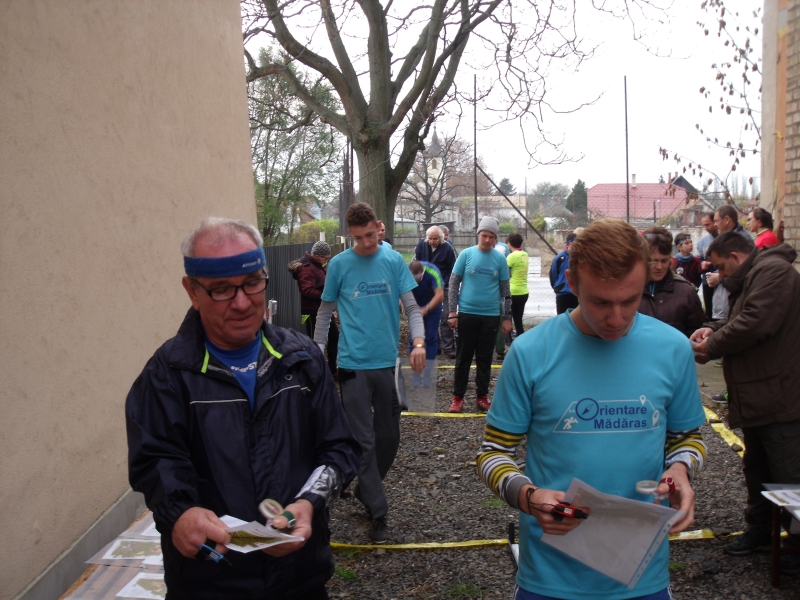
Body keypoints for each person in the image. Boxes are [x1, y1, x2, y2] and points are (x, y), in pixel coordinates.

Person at [126, 217, 361, 600]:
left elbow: (340, 448)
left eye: (252, 283)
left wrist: (308, 503)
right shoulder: (167, 375)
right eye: (221, 289)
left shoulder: (302, 359)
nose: (241, 303)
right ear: (192, 291)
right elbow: (155, 462)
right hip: (210, 582)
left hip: (300, 577)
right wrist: (180, 514)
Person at [477, 218, 706, 600]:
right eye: (600, 302)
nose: (616, 319)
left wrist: (681, 469)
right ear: (571, 281)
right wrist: (528, 496)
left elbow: (688, 438)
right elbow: (493, 453)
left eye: (630, 300)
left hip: (643, 575)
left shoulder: (672, 348)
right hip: (549, 577)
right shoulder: (531, 352)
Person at [313, 203, 425, 543]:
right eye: (358, 238)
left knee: (389, 438)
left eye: (371, 235)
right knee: (363, 442)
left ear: (379, 227)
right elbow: (324, 314)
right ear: (350, 235)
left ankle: (365, 489)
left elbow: (411, 308)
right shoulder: (339, 265)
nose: (366, 243)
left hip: (388, 365)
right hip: (352, 367)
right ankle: (379, 512)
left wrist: (418, 342)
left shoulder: (392, 260)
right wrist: (317, 353)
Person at [690, 232, 800, 570]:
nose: (720, 276)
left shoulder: (773, 272)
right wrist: (713, 329)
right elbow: (742, 318)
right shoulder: (756, 275)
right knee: (758, 467)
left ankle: (797, 543)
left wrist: (711, 345)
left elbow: (754, 323)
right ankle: (761, 531)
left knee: (788, 473)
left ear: (737, 257)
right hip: (760, 395)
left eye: (722, 268)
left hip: (780, 397)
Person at [447, 216, 512, 413]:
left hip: (490, 316)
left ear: (495, 238)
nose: (487, 240)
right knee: (463, 357)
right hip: (467, 313)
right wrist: (452, 312)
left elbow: (505, 292)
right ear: (478, 235)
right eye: (484, 235)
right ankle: (458, 397)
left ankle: (482, 396)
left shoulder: (500, 259)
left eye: (491, 236)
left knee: (485, 358)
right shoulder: (466, 255)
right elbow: (453, 283)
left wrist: (506, 317)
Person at [639, 227, 705, 337]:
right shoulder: (629, 289)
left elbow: (697, 334)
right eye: (653, 261)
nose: (659, 267)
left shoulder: (686, 292)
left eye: (664, 261)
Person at [296, 240, 339, 378]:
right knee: (314, 343)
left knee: (334, 336)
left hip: (322, 310)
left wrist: (330, 308)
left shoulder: (318, 266)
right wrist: (326, 296)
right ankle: (314, 373)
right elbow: (306, 290)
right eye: (325, 258)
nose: (326, 261)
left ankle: (331, 369)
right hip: (311, 312)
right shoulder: (307, 268)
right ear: (317, 255)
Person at [414, 226, 457, 358]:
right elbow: (416, 264)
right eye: (430, 239)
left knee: (445, 316)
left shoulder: (448, 249)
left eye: (435, 239)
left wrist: (443, 282)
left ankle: (448, 347)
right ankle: (434, 344)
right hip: (426, 286)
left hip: (444, 286)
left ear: (441, 238)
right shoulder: (421, 245)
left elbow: (453, 269)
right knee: (429, 316)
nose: (432, 241)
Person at [407, 260, 444, 385]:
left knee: (430, 337)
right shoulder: (404, 271)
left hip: (432, 306)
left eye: (418, 279)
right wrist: (405, 306)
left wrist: (426, 309)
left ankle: (428, 373)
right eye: (413, 279)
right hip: (414, 305)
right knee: (413, 338)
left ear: (421, 272)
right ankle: (416, 373)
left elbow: (439, 295)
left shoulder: (433, 271)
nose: (416, 282)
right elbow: (400, 291)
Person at [506, 233, 529, 338]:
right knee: (518, 320)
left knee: (508, 319)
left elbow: (505, 273)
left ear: (509, 243)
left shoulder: (512, 256)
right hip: (524, 291)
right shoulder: (525, 255)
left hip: (513, 291)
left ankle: (508, 341)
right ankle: (521, 339)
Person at [696, 212, 718, 321]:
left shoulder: (726, 238)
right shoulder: (702, 242)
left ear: (715, 222)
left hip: (723, 279)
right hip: (707, 281)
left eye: (708, 224)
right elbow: (698, 259)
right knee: (709, 310)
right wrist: (702, 264)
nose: (706, 228)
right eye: (704, 225)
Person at [549, 232, 579, 314]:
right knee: (562, 318)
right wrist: (559, 287)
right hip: (562, 295)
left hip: (576, 294)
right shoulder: (559, 258)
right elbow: (553, 275)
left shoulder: (580, 258)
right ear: (570, 243)